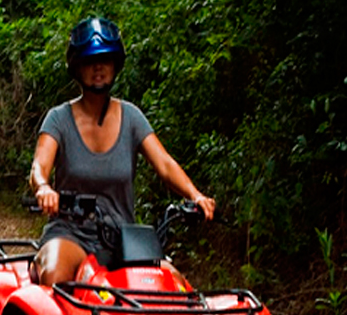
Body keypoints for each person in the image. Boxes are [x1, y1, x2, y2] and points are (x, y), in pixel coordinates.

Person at [29, 17, 216, 286]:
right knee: (56, 275)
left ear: (115, 65)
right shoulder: (58, 119)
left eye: (105, 59)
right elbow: (39, 166)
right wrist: (44, 188)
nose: (98, 68)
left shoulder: (131, 117)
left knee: (172, 284)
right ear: (77, 68)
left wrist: (195, 195)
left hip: (123, 238)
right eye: (90, 61)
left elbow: (164, 164)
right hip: (70, 233)